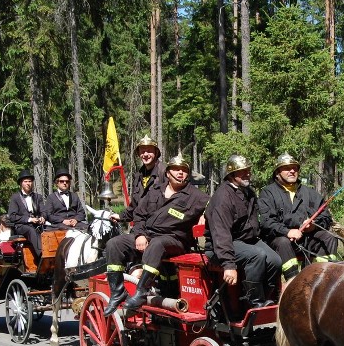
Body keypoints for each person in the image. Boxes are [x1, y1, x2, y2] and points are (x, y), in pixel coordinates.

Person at [103, 155, 209, 316]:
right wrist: (139, 235)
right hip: (147, 235)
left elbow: (214, 207)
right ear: (167, 173)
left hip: (175, 240)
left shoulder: (196, 196)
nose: (180, 173)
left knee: (157, 244)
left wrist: (205, 216)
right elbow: (139, 215)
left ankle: (141, 293)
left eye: (184, 170)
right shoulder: (155, 190)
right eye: (176, 169)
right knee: (114, 244)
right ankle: (117, 293)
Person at [204, 154, 281, 309]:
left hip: (247, 240)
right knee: (257, 256)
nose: (247, 174)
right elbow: (221, 234)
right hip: (221, 247)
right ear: (231, 174)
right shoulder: (223, 197)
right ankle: (252, 302)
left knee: (275, 260)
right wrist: (228, 265)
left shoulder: (248, 193)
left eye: (248, 170)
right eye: (242, 171)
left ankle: (268, 297)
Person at [258, 154, 339, 285]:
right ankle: (294, 283)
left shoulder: (310, 193)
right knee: (283, 242)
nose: (292, 171)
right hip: (279, 241)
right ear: (277, 173)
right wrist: (287, 231)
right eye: (287, 168)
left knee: (329, 237)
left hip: (306, 239)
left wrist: (313, 225)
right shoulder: (268, 193)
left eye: (295, 168)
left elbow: (325, 217)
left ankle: (321, 279)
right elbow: (267, 222)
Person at [110, 135, 166, 225]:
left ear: (156, 152)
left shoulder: (165, 173)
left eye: (149, 151)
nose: (146, 154)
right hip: (140, 226)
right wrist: (120, 216)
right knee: (113, 239)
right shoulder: (138, 176)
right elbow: (135, 206)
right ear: (138, 154)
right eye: (142, 151)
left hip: (160, 227)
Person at [8, 169, 45, 257]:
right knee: (31, 231)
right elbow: (12, 216)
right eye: (26, 181)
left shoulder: (37, 197)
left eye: (30, 181)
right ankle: (41, 255)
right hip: (21, 226)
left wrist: (42, 217)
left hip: (37, 225)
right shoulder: (15, 198)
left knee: (50, 230)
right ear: (21, 183)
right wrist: (29, 219)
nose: (28, 183)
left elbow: (43, 211)